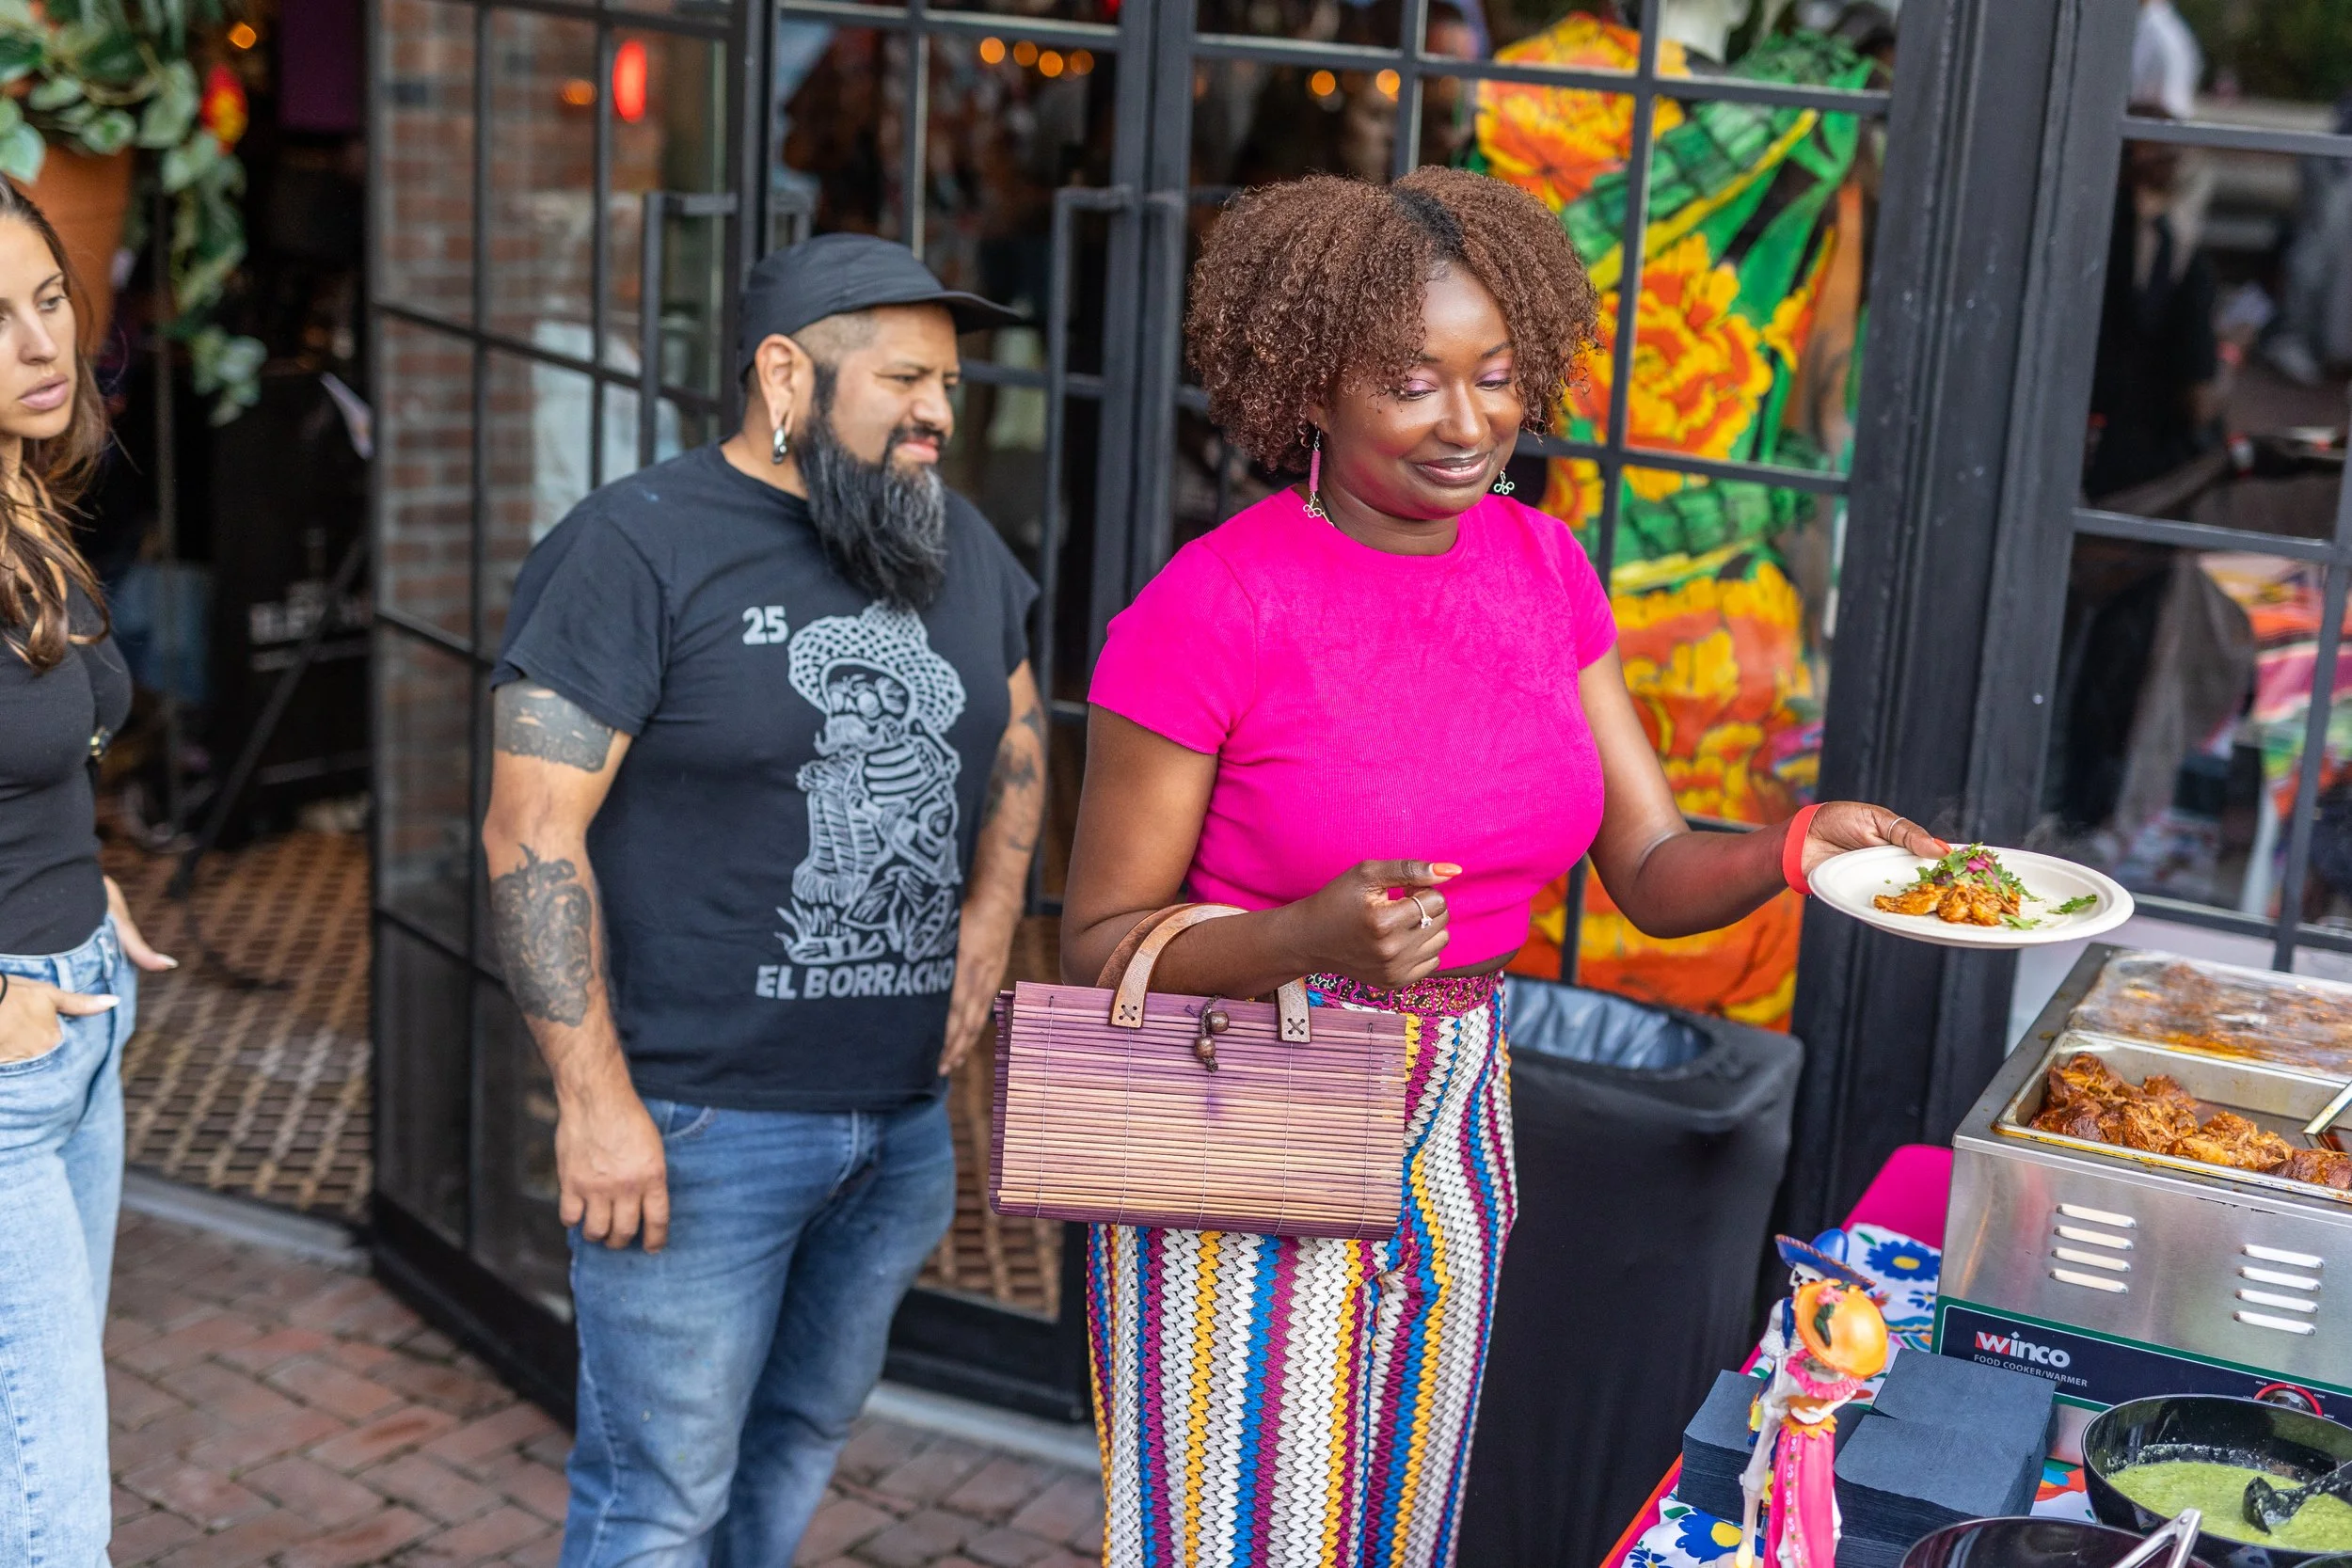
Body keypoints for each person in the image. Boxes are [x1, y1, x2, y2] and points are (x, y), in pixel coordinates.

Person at [1059, 167, 1947, 1568]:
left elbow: (1649, 864)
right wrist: (1301, 938)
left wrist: (1793, 846)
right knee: (1242, 1531)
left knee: (1405, 1526)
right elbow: (1097, 939)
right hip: (1255, 1084)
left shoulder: (1542, 569)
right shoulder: (1214, 604)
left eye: (1497, 377)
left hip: (1463, 1100)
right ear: (1312, 386)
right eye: (1412, 383)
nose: (1470, 423)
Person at [482, 234, 1044, 1566]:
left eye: (951, 384)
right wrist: (595, 1103)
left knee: (799, 1433)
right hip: (696, 1130)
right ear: (785, 374)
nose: (939, 412)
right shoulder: (635, 546)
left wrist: (990, 917)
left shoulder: (954, 541)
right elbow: (529, 831)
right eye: (904, 379)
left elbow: (1018, 732)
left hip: (898, 1126)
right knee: (660, 1496)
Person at [0, 180, 174, 1566]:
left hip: (80, 1020)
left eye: (49, 298)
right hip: (7, 1056)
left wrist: (80, 876)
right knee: (55, 1521)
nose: (38, 341)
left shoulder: (26, 500)